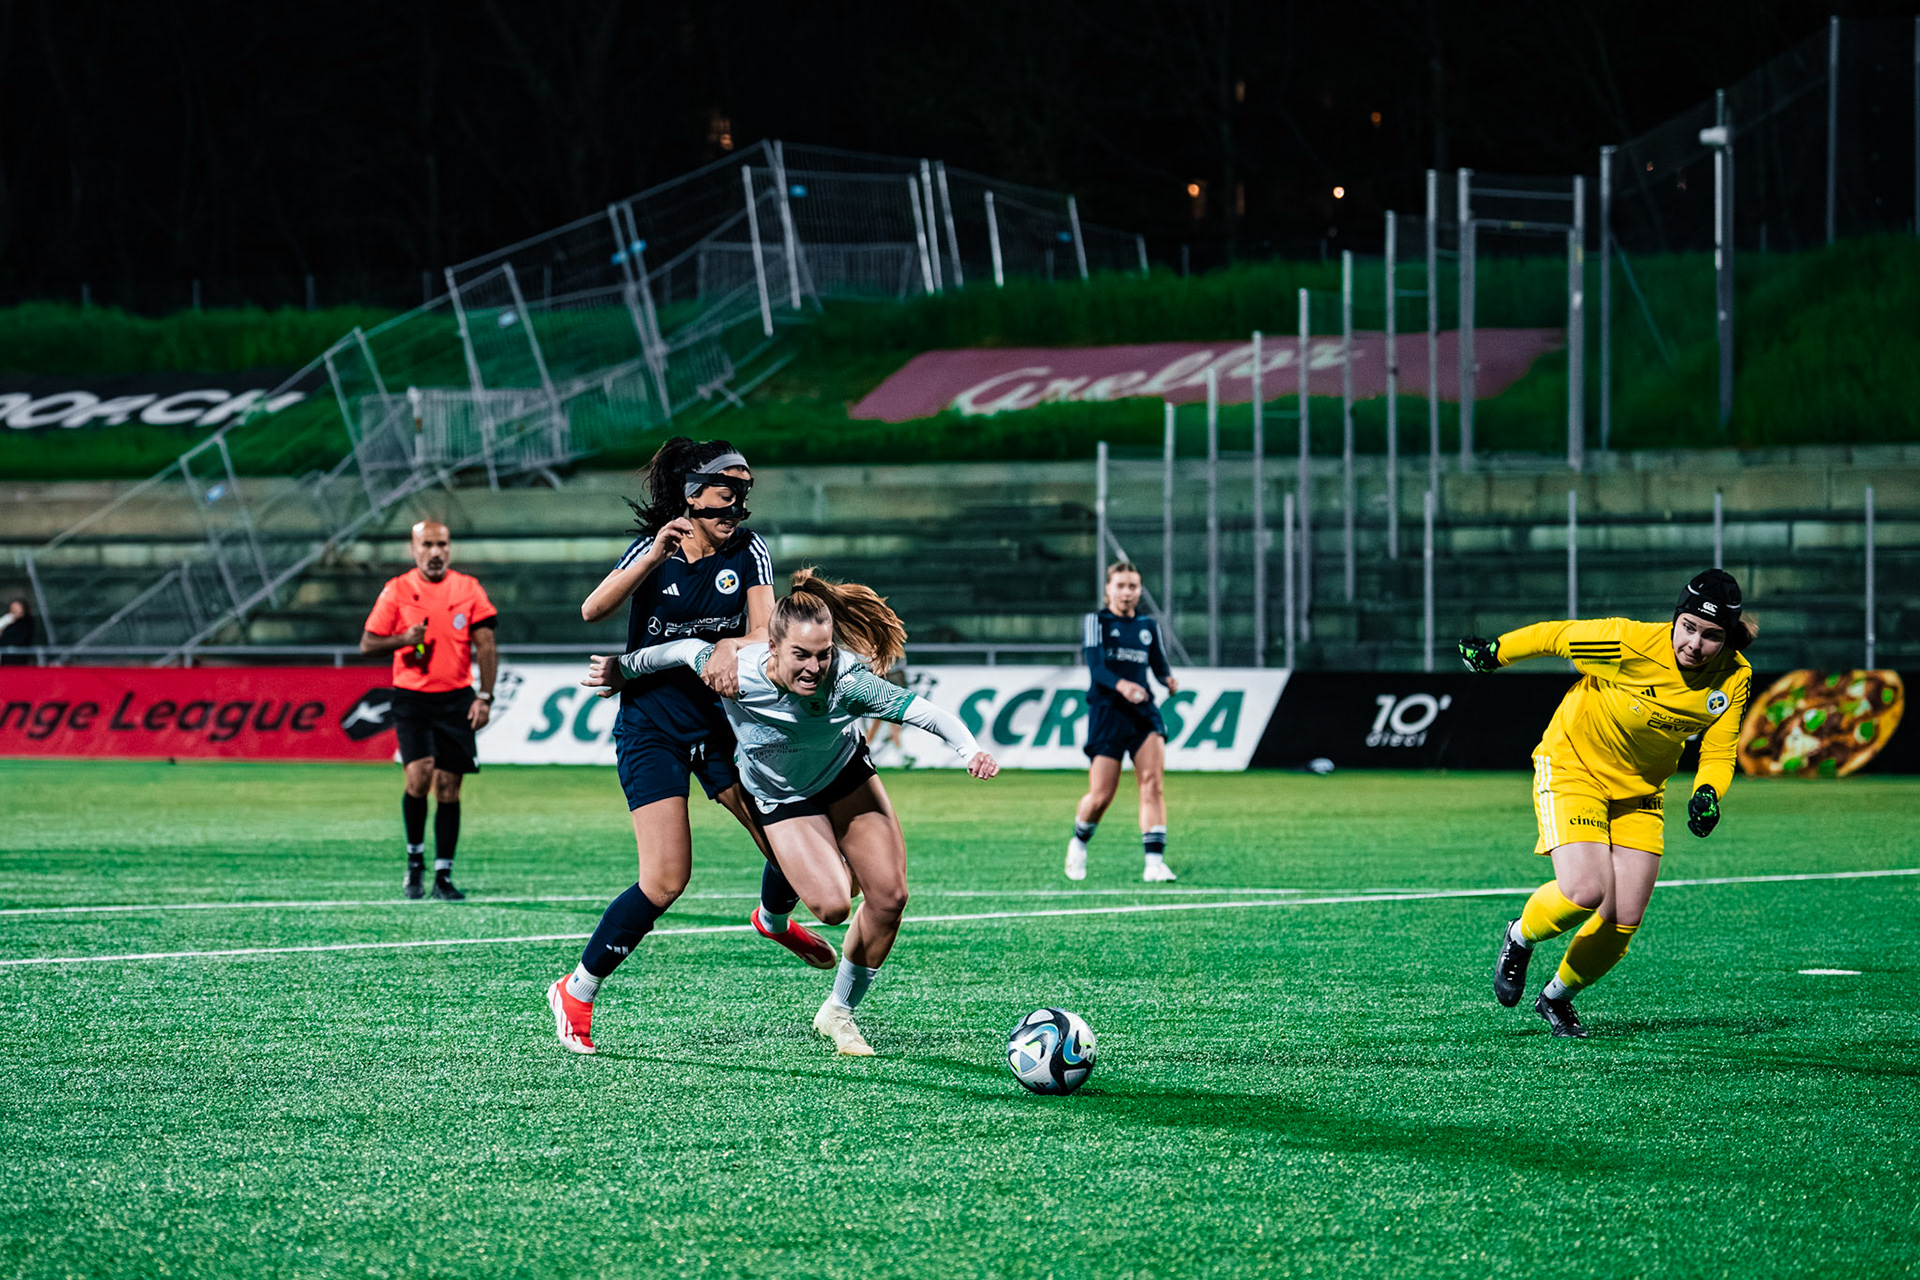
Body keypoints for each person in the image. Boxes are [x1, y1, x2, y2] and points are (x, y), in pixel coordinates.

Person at [583, 569, 999, 1057]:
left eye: (823, 654)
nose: (814, 667)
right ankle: (772, 915)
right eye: (801, 654)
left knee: (889, 897)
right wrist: (624, 668)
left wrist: (969, 750)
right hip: (782, 797)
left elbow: (925, 713)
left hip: (845, 776)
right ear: (772, 648)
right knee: (834, 905)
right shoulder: (737, 669)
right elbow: (676, 650)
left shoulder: (849, 681)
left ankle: (839, 1013)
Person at [548, 440, 831, 1057]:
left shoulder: (747, 551)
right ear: (692, 493)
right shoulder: (656, 549)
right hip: (652, 729)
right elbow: (593, 610)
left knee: (789, 848)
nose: (739, 506)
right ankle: (577, 989)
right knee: (666, 879)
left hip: (724, 726)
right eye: (728, 491)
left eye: (745, 493)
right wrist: (650, 557)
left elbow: (763, 630)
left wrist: (732, 648)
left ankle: (774, 920)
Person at [1461, 568, 1757, 1038]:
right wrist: (1496, 653)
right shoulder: (1629, 644)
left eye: (1711, 636)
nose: (1695, 644)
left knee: (1623, 918)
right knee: (1584, 891)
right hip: (1574, 768)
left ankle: (1555, 998)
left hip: (1641, 792)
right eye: (1689, 628)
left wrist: (1707, 793)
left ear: (1728, 638)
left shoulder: (1733, 677)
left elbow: (1719, 751)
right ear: (1675, 619)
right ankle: (1520, 935)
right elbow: (1555, 636)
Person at [360, 520, 498, 901]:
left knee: (449, 787)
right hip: (412, 698)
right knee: (419, 777)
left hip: (456, 698)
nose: (435, 552)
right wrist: (403, 639)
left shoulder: (468, 588)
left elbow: (486, 645)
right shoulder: (398, 589)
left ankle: (443, 874)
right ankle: (415, 863)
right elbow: (367, 643)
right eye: (427, 545)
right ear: (413, 549)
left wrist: (484, 696)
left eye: (442, 544)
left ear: (449, 548)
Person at [1066, 561, 1180, 883]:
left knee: (1152, 784)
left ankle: (1154, 863)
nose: (1127, 593)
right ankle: (1079, 841)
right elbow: (1097, 668)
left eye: (1133, 586)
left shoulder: (1148, 625)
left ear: (1139, 589)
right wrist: (1123, 686)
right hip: (1107, 712)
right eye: (1121, 586)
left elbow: (1157, 662)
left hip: (1143, 712)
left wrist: (1167, 678)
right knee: (1102, 794)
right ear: (1108, 589)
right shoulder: (1096, 622)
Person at [0, 596, 35, 665]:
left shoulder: (27, 622)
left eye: (16, 608)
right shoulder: (8, 623)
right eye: (12, 608)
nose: (14, 610)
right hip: (6, 657)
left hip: (19, 658)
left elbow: (19, 639)